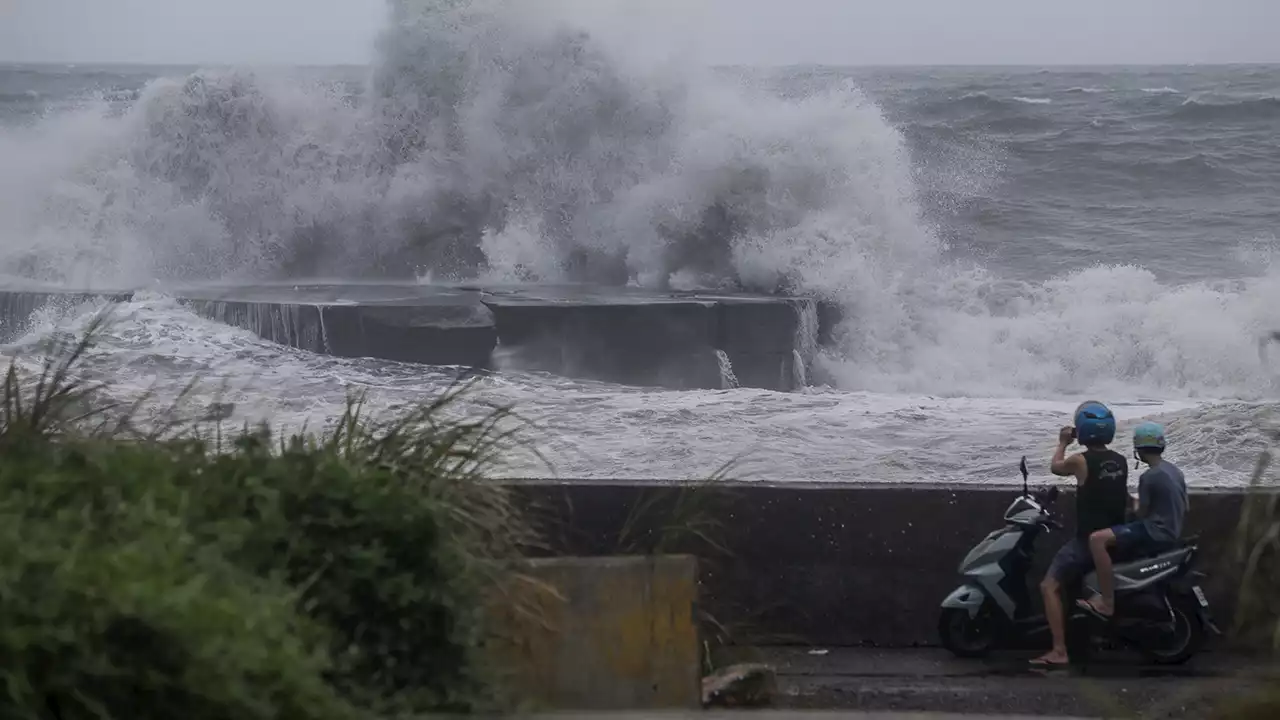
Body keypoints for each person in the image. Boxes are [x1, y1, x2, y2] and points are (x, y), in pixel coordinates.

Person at [1030, 400, 1130, 667]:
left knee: (1048, 586)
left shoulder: (1080, 461)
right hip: (1116, 536)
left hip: (1087, 541)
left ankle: (1059, 650)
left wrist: (1063, 441)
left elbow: (1055, 467)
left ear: (1082, 431)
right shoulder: (1120, 460)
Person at [1077, 421, 1188, 618]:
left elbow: (1141, 513)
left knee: (1097, 540)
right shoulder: (1175, 471)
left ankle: (1106, 602)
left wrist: (1131, 505)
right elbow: (1185, 505)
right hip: (1173, 530)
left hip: (1155, 533)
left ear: (1139, 449)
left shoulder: (1150, 476)